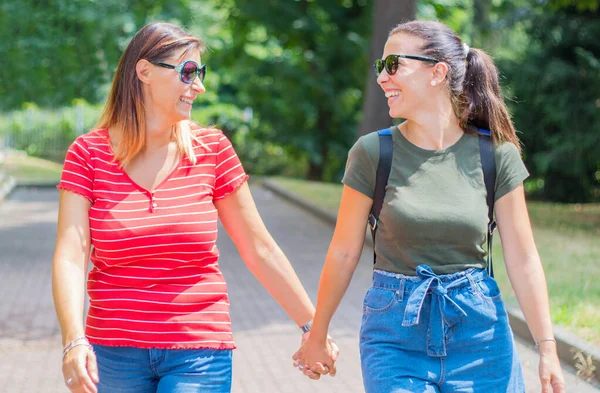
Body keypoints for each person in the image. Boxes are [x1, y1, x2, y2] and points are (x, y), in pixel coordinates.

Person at [52, 22, 337, 393]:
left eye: (200, 73)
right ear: (144, 72)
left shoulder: (212, 150)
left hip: (199, 349)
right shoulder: (87, 155)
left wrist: (312, 329)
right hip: (112, 350)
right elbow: (71, 256)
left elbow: (259, 247)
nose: (198, 86)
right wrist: (74, 341)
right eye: (188, 72)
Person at [293, 20, 566, 393]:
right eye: (380, 67)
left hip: (481, 336)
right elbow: (343, 252)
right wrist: (317, 333)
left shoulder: (495, 155)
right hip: (395, 337)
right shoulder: (373, 152)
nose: (382, 78)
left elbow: (523, 257)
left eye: (393, 65)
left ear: (438, 73)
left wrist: (547, 348)